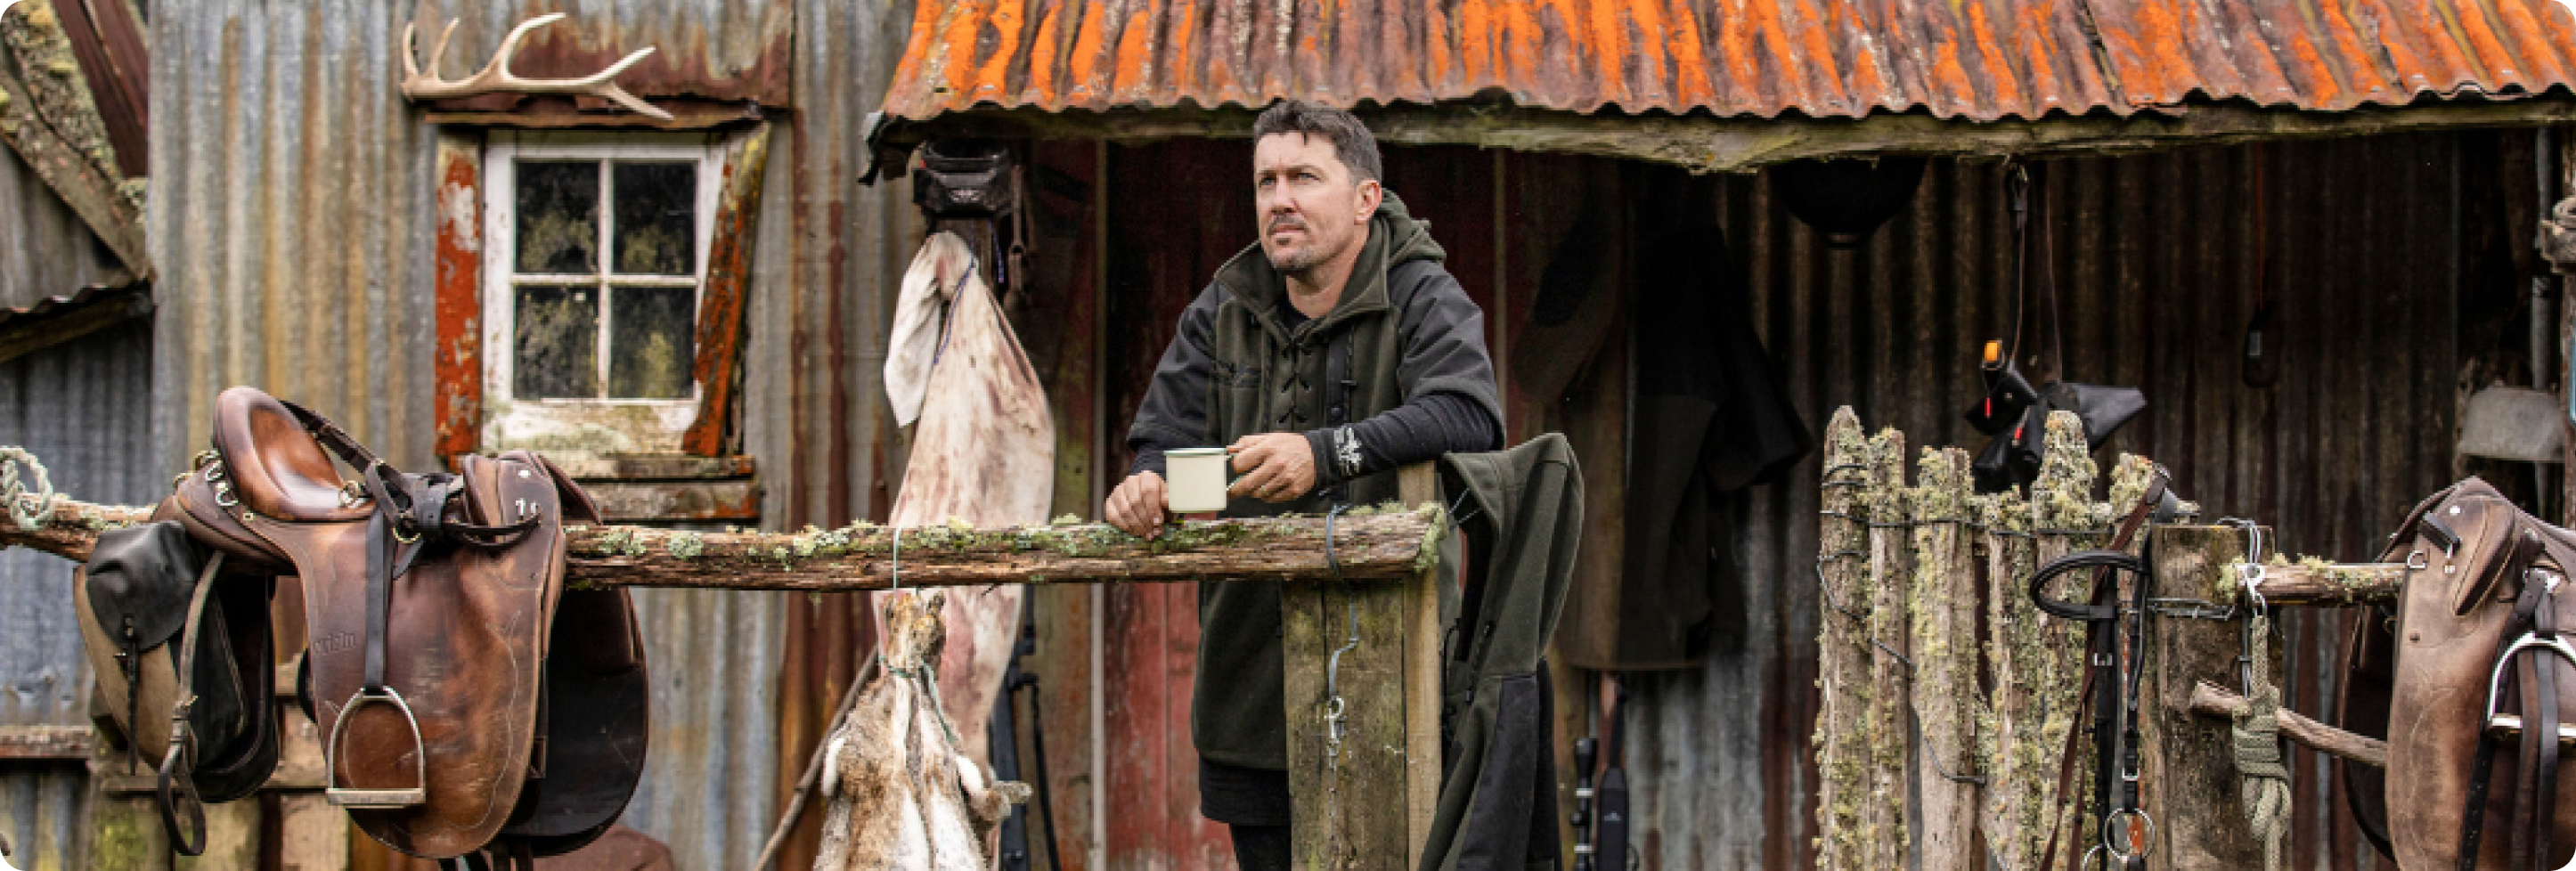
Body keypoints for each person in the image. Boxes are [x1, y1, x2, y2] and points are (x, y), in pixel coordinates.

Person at [1103, 100, 1504, 869]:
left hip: (1395, 675)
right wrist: (1144, 484)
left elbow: (1468, 415)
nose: (1279, 198)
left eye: (1304, 178)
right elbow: (1161, 437)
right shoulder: (1221, 308)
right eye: (1266, 181)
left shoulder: (1420, 293)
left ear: (1364, 199)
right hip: (1249, 680)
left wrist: (1328, 453)